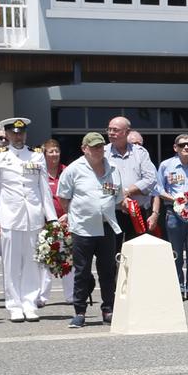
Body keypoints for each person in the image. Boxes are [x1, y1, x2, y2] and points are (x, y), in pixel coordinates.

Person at [0, 118, 56, 323]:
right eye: (14, 133)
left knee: (33, 263)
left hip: (33, 216)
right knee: (11, 263)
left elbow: (44, 187)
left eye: (21, 133)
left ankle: (30, 303)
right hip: (10, 216)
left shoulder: (36, 155)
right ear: (7, 134)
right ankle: (14, 305)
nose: (18, 136)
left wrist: (50, 217)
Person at [57, 133, 123, 328]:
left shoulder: (113, 168)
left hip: (106, 226)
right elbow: (63, 197)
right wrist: (73, 215)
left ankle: (108, 308)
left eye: (101, 146)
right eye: (94, 147)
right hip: (83, 228)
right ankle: (80, 311)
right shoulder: (73, 170)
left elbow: (118, 197)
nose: (98, 150)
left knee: (108, 271)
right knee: (82, 272)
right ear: (84, 148)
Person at [157, 133, 188, 301]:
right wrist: (176, 199)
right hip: (174, 215)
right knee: (175, 253)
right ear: (175, 148)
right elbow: (159, 190)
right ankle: (178, 287)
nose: (186, 147)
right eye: (182, 145)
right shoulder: (166, 166)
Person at [105, 116, 157, 245]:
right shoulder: (103, 153)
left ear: (127, 132)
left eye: (115, 130)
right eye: (109, 129)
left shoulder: (141, 152)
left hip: (137, 213)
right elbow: (99, 183)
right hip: (112, 213)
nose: (111, 133)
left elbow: (151, 179)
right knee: (112, 255)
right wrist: (121, 198)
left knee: (137, 255)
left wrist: (127, 191)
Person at [41, 139, 73, 305]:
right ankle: (42, 297)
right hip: (45, 223)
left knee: (67, 259)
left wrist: (68, 215)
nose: (54, 154)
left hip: (66, 221)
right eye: (50, 151)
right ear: (44, 154)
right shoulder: (39, 172)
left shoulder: (67, 171)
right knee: (46, 258)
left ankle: (70, 296)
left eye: (56, 151)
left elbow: (75, 196)